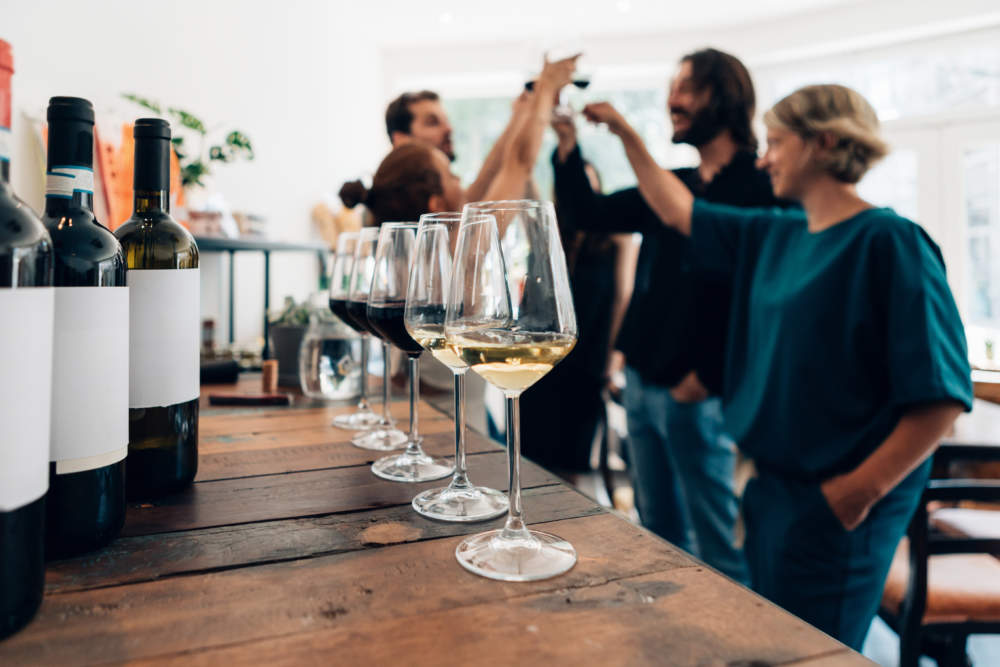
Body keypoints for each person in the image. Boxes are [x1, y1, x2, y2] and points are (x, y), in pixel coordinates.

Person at [583, 83, 973, 650]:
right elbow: (676, 208)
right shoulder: (776, 231)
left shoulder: (889, 242)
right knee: (767, 645)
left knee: (813, 651)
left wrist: (855, 494)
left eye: (775, 143)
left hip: (840, 500)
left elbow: (940, 401)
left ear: (824, 143)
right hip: (771, 491)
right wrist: (622, 132)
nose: (763, 158)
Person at [551, 48, 788, 582]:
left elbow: (757, 303)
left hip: (699, 392)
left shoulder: (761, 186)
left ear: (724, 97)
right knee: (656, 533)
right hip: (642, 380)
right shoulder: (676, 179)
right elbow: (589, 212)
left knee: (718, 543)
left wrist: (707, 378)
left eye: (687, 88)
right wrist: (568, 146)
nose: (672, 99)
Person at [520, 161, 639, 474]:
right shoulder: (549, 229)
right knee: (531, 455)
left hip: (589, 358)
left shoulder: (617, 235)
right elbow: (524, 177)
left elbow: (624, 296)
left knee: (572, 459)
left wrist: (614, 359)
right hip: (540, 359)